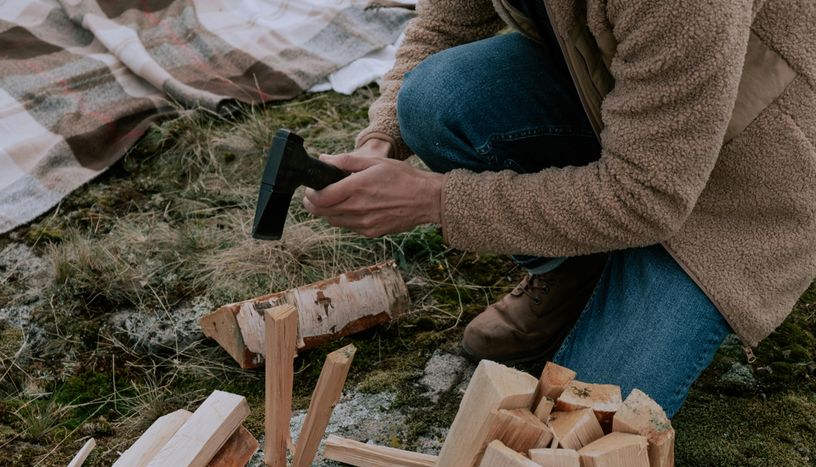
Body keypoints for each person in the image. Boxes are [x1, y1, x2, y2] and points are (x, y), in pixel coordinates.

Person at [303, 0, 815, 417]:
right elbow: (446, 20)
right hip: (631, 108)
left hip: (748, 176)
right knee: (439, 98)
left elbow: (647, 197)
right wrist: (380, 140)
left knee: (584, 413)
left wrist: (434, 199)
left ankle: (630, 262)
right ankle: (572, 265)